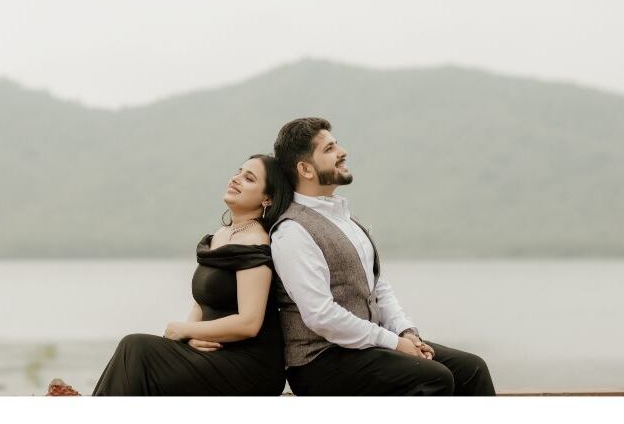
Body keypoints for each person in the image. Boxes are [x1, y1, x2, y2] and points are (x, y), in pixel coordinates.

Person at [270, 118, 496, 396]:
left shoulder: (346, 220)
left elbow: (378, 289)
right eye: (330, 149)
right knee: (432, 378)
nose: (343, 151)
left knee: (472, 369)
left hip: (366, 349)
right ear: (305, 169)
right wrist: (393, 344)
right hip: (320, 362)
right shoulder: (292, 232)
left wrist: (405, 332)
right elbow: (320, 315)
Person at [92, 154, 292, 396]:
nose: (236, 179)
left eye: (248, 178)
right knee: (137, 356)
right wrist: (189, 336)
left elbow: (249, 323)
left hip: (249, 364)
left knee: (135, 348)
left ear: (267, 198)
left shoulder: (255, 242)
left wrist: (185, 331)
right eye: (238, 172)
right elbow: (201, 302)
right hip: (214, 352)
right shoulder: (220, 236)